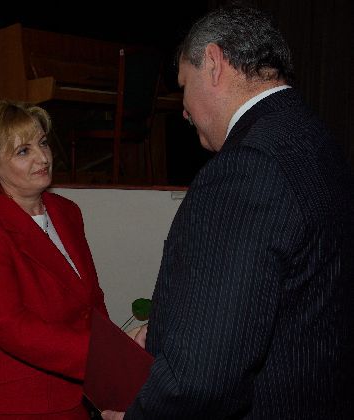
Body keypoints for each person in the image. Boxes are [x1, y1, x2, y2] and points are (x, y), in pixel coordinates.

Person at [102, 5, 354, 420]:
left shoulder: (246, 167)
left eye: (184, 85)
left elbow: (203, 377)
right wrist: (166, 330)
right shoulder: (315, 137)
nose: (184, 110)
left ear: (214, 63)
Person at [0, 99, 108, 419]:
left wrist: (115, 366)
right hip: (15, 404)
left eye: (43, 143)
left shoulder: (67, 212)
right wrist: (99, 356)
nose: (43, 157)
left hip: (74, 393)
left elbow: (91, 301)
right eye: (24, 151)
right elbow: (10, 326)